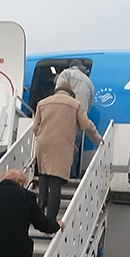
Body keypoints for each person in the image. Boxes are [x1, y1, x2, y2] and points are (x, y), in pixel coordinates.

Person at [33, 81, 103, 219]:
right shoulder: (75, 105)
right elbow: (86, 125)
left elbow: (35, 128)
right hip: (62, 146)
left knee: (44, 177)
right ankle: (51, 219)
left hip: (43, 144)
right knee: (55, 184)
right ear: (71, 93)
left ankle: (40, 211)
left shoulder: (42, 103)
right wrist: (97, 138)